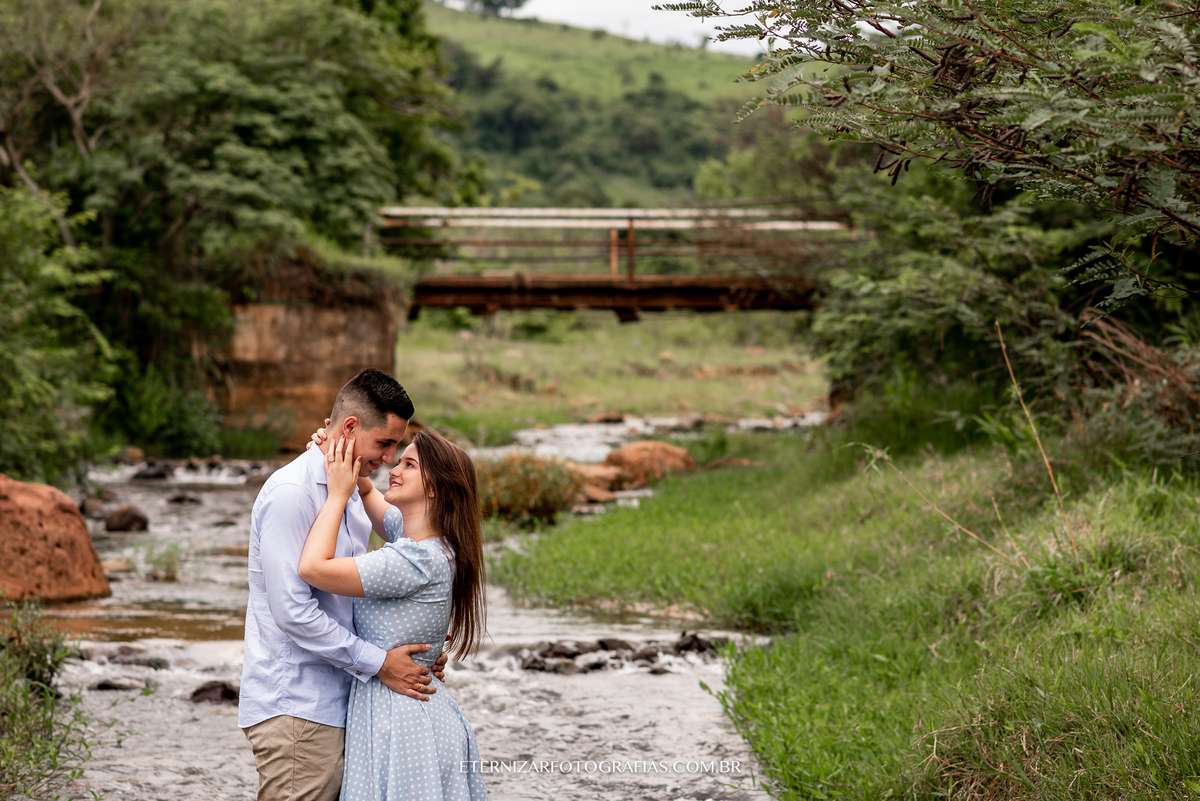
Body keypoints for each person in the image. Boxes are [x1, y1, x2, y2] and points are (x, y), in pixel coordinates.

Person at [239, 369, 449, 801]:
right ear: (350, 427)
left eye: (397, 448)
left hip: (344, 696)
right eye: (385, 444)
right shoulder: (293, 493)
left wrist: (421, 646)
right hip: (298, 704)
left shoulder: (351, 487)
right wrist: (380, 662)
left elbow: (397, 562)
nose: (389, 458)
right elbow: (292, 611)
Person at [299, 427, 488, 801]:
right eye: (397, 459)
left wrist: (337, 495)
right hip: (415, 713)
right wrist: (340, 451)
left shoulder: (411, 560)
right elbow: (368, 490)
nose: (393, 468)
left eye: (409, 464)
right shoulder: (429, 539)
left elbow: (313, 568)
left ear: (434, 489)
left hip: (402, 724)